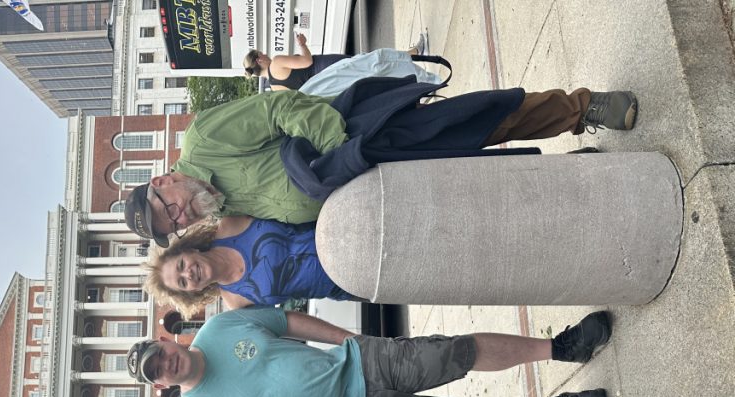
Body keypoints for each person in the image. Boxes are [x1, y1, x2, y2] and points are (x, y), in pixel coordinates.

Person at [123, 82, 639, 246]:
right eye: (176, 226)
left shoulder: (205, 140)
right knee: (478, 185)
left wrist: (337, 148)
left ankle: (581, 107)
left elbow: (280, 108)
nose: (183, 219)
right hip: (377, 196)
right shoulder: (221, 207)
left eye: (170, 210)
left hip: (366, 145)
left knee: (479, 123)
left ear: (164, 180)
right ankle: (579, 173)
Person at [126, 306, 613, 397]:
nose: (164, 363)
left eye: (158, 353)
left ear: (166, 340)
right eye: (156, 372)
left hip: (361, 361)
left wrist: (344, 336)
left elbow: (289, 322)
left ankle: (561, 347)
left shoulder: (220, 326)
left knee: (458, 352)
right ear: (161, 387)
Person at [143, 217, 356, 318]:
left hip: (343, 228)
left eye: (181, 264)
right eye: (182, 282)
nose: (188, 273)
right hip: (348, 283)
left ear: (190, 250)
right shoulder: (236, 303)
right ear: (192, 291)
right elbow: (285, 321)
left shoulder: (230, 224)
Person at [242, 32, 439, 95]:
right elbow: (306, 61)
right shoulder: (276, 63)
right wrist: (303, 45)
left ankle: (413, 56)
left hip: (329, 88)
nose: (267, 54)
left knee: (373, 76)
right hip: (324, 68)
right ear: (260, 60)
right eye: (262, 53)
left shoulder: (275, 87)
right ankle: (415, 56)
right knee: (371, 62)